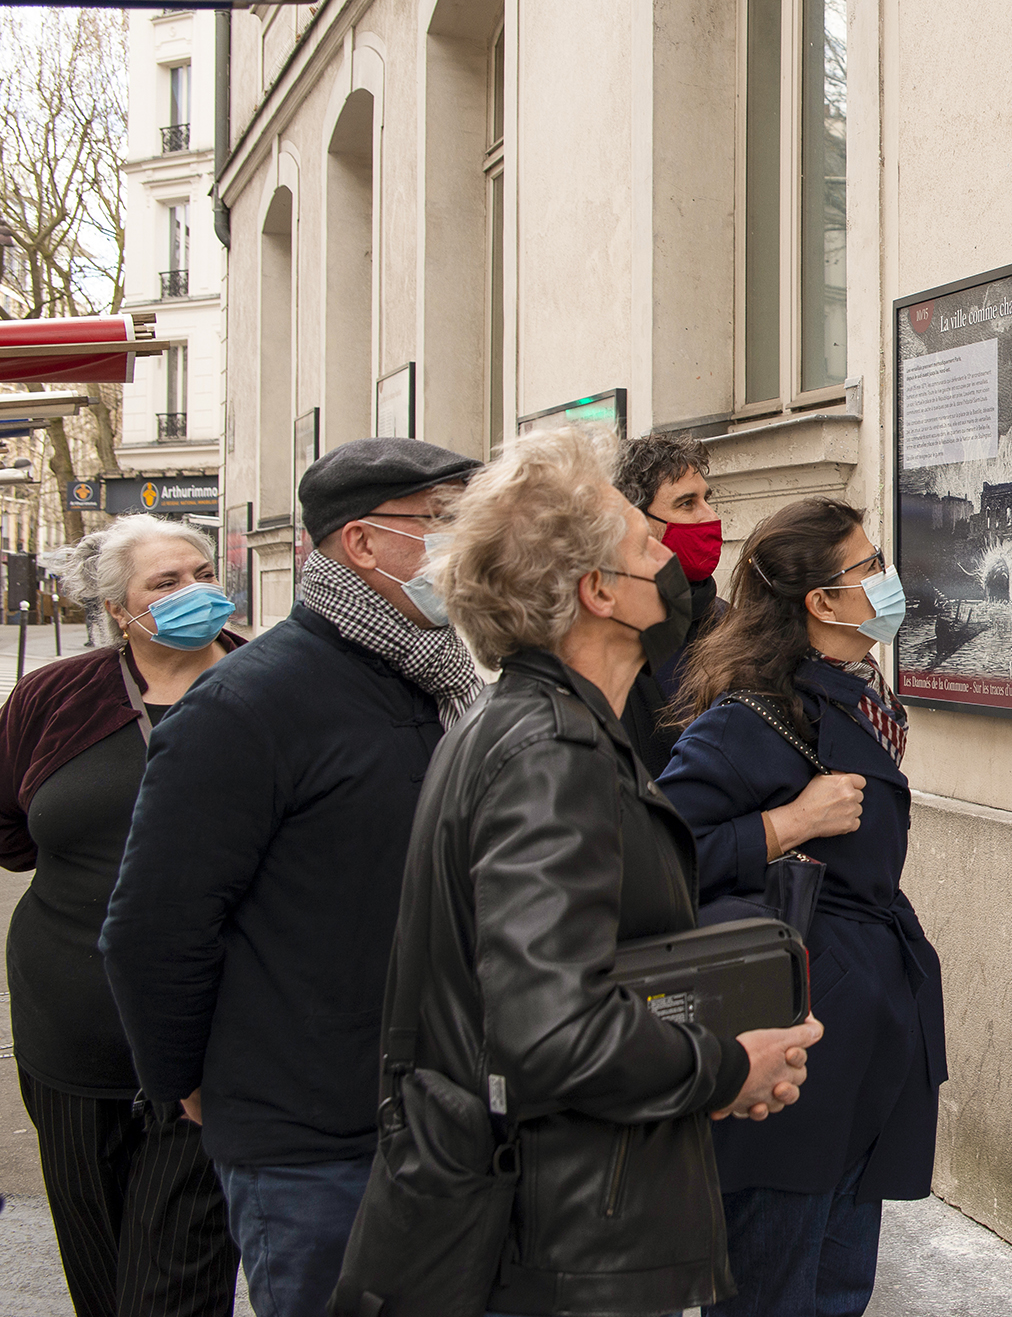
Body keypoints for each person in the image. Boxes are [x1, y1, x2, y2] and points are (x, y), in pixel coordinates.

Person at [373, 424, 821, 1316]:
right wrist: (724, 1068)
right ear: (599, 593)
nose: (673, 554)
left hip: (562, 1214)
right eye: (646, 541)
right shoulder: (549, 750)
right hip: (560, 1240)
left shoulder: (545, 726)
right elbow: (548, 1036)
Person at [101, 438, 482, 1317]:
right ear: (361, 545)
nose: (468, 545)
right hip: (311, 1142)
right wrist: (194, 1088)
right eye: (444, 523)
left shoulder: (441, 679)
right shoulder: (248, 704)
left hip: (436, 1115)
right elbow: (154, 928)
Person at [661, 499, 946, 1317]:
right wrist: (787, 824)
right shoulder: (750, 717)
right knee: (771, 1288)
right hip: (789, 1047)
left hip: (859, 1037)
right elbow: (654, 859)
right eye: (868, 568)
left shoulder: (861, 698)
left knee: (834, 1286)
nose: (887, 579)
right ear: (819, 603)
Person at [0, 517, 243, 1317]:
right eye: (165, 584)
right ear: (117, 609)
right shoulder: (54, 698)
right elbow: (9, 829)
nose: (195, 593)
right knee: (101, 1283)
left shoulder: (269, 685)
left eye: (202, 572)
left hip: (217, 1044)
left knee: (173, 1294)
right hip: (69, 1038)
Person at [614, 431, 729, 773]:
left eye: (708, 499)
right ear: (635, 523)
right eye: (686, 504)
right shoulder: (612, 636)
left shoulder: (734, 624)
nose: (709, 516)